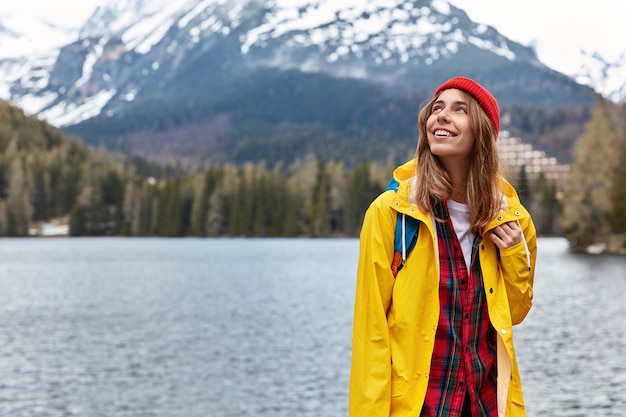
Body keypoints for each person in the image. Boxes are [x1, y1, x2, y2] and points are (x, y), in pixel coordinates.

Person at [349, 76, 537, 417]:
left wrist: (513, 255)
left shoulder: (512, 220)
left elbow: (515, 313)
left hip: (487, 404)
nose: (442, 116)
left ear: (481, 130)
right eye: (437, 108)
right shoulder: (391, 214)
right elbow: (370, 334)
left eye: (459, 109)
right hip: (421, 407)